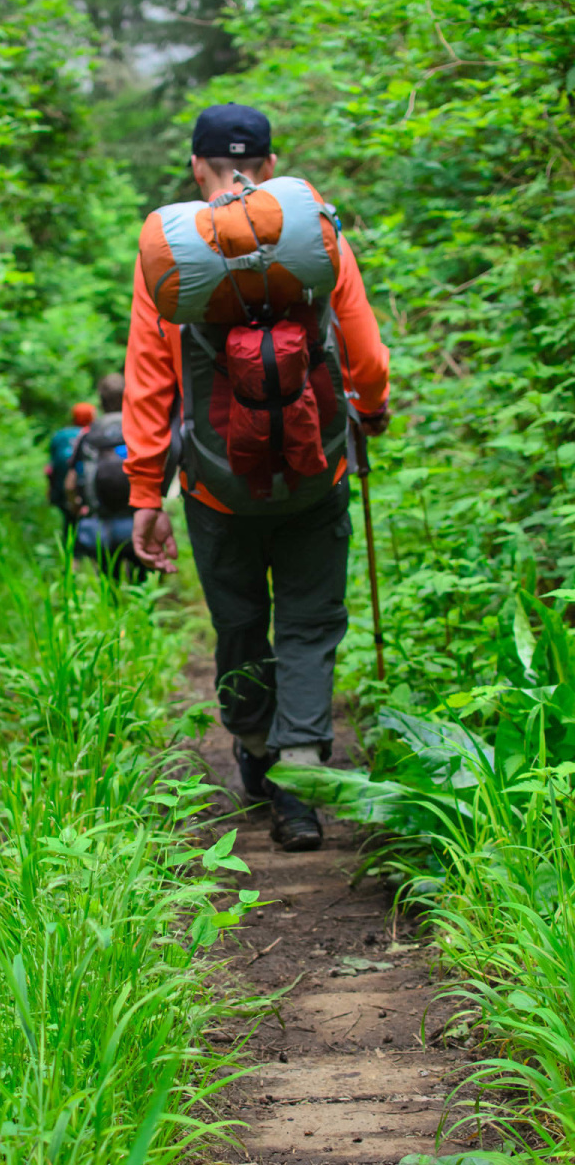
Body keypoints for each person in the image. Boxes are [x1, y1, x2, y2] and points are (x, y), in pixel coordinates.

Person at [123, 102, 390, 850]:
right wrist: (370, 409)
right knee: (308, 622)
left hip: (217, 487)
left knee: (240, 624)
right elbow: (363, 349)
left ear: (195, 167)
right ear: (271, 165)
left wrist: (148, 493)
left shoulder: (173, 257)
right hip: (315, 473)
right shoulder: (313, 234)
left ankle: (255, 746)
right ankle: (300, 782)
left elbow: (148, 379)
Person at [68, 373, 147, 582]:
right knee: (142, 579)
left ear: (101, 400)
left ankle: (113, 609)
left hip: (102, 523)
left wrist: (78, 509)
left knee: (108, 578)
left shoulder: (88, 435)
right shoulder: (140, 427)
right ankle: (143, 609)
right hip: (139, 517)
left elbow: (71, 481)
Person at [47, 400, 95, 534]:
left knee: (69, 523)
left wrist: (50, 490)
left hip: (61, 489)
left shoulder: (60, 435)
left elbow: (50, 468)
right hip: (86, 490)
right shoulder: (92, 434)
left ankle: (68, 551)